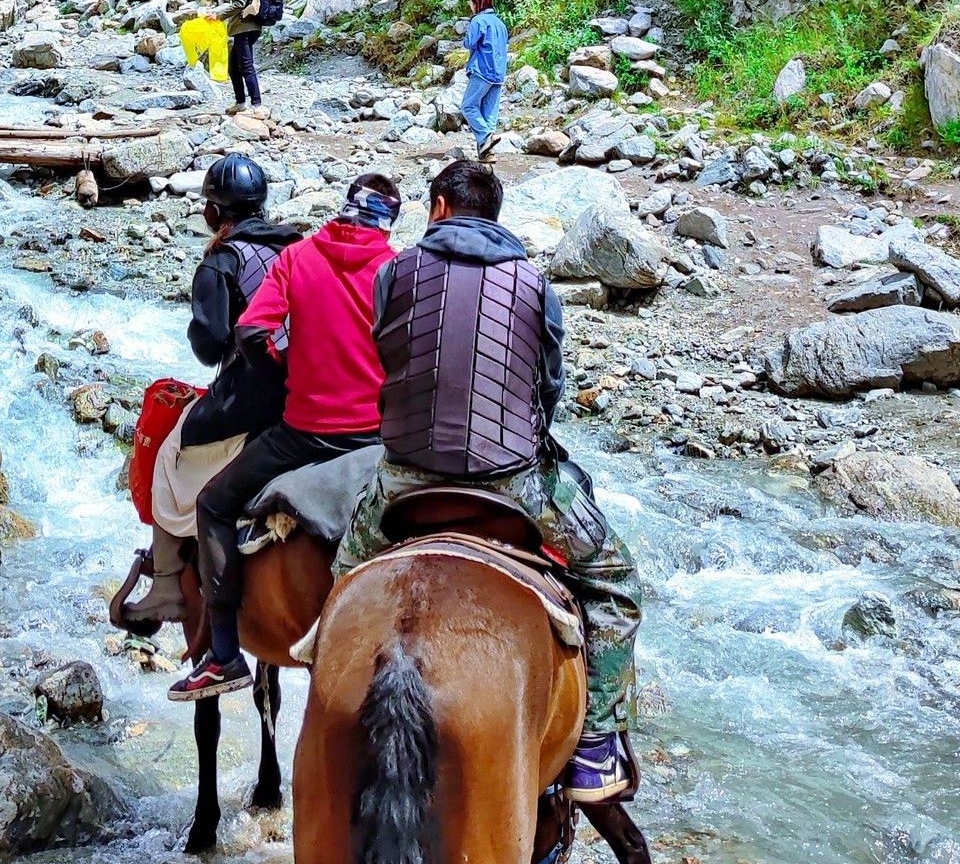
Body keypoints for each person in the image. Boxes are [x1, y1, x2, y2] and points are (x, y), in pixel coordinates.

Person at [336, 160, 642, 803]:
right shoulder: (534, 282)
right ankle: (595, 742)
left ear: (440, 207)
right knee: (613, 580)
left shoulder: (394, 271)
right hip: (512, 480)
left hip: (404, 474)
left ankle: (324, 671)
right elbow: (550, 381)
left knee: (346, 574)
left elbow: (386, 347)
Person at [168, 173, 402, 702]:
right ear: (388, 220)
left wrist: (279, 369)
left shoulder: (299, 257)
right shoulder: (397, 266)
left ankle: (224, 654)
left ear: (346, 208)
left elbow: (250, 331)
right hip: (376, 439)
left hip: (306, 434)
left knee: (214, 503)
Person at [125, 154, 300, 626]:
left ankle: (165, 585)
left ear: (213, 213)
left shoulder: (223, 260)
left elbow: (208, 347)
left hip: (256, 398)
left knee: (169, 447)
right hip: (313, 391)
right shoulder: (299, 247)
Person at [206, 0, 263, 116]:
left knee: (246, 66)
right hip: (247, 27)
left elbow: (238, 4)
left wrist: (219, 15)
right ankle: (240, 103)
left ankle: (257, 106)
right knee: (233, 67)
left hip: (244, 28)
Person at [461, 0, 508, 159]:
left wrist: (464, 40)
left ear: (477, 3)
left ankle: (486, 137)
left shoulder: (478, 21)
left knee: (468, 106)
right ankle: (487, 154)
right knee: (489, 114)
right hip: (499, 73)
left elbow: (470, 43)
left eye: (471, 1)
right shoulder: (500, 23)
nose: (470, 5)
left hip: (482, 70)